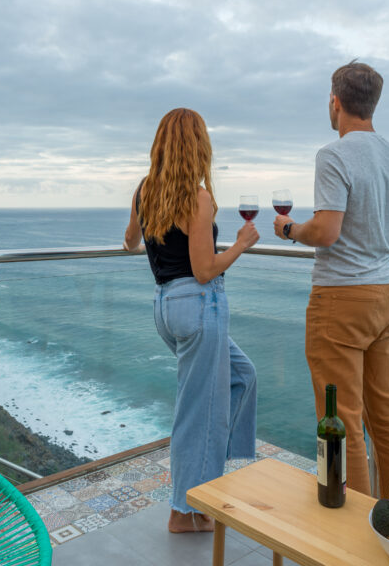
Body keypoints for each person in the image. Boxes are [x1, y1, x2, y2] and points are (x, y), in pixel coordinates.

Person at [273, 61, 389, 496]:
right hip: (384, 294)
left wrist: (291, 230)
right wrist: (370, 235)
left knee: (343, 416)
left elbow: (327, 231)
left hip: (340, 298)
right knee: (385, 410)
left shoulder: (333, 155)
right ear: (372, 103)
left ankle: (351, 529)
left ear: (335, 102)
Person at [124, 107, 260, 533]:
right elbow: (204, 269)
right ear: (199, 146)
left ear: (161, 144)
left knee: (242, 377)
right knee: (196, 411)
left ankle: (208, 483)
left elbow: (130, 243)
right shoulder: (199, 197)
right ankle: (184, 510)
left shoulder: (145, 190)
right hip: (200, 304)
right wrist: (241, 244)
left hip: (166, 306)